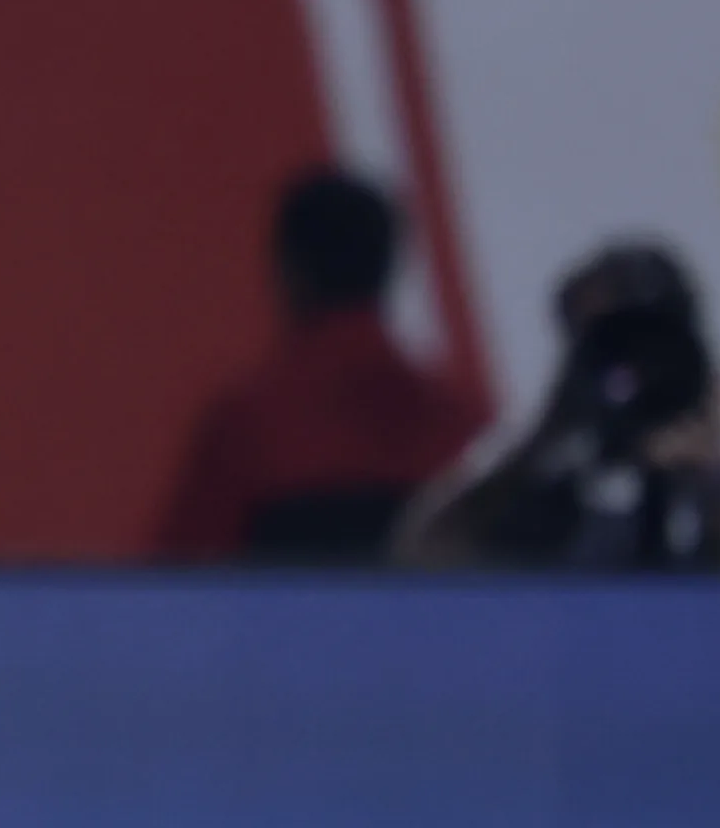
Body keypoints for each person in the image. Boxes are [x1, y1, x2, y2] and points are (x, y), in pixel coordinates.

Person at [152, 169, 488, 561]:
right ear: (389, 267)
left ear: (289, 269)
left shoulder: (247, 426)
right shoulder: (464, 428)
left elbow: (174, 575)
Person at [401, 242, 720, 569]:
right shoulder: (547, 482)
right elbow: (421, 557)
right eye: (611, 345)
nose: (637, 369)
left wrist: (715, 482)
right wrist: (546, 437)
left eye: (654, 350)